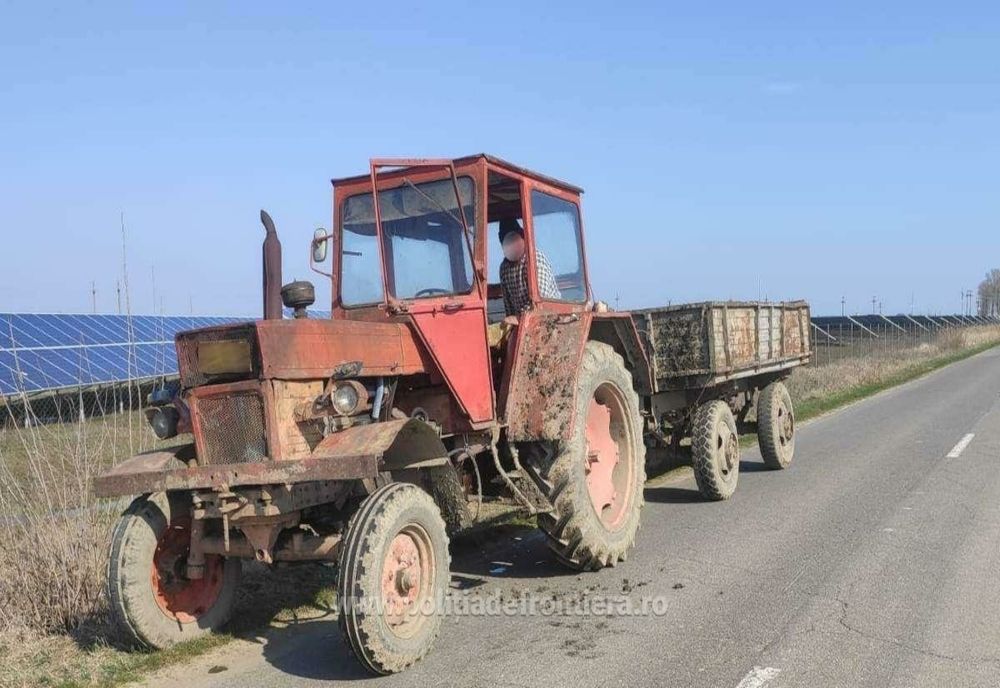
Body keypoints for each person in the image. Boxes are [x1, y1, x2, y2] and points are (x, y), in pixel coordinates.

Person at [498, 218, 560, 318]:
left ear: (522, 238)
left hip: (548, 317)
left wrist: (518, 318)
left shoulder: (535, 260)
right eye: (508, 243)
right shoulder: (504, 269)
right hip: (522, 320)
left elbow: (539, 302)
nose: (511, 246)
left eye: (513, 241)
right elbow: (508, 305)